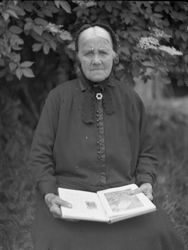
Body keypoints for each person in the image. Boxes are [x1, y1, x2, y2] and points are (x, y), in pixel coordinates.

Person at [29, 23, 184, 250]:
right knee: (58, 240)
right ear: (78, 58)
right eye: (88, 53)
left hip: (123, 196)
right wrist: (50, 194)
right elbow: (40, 155)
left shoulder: (131, 99)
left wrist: (146, 183)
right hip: (70, 197)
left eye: (103, 52)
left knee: (161, 233)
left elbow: (146, 153)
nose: (96, 60)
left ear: (114, 55)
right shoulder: (58, 99)